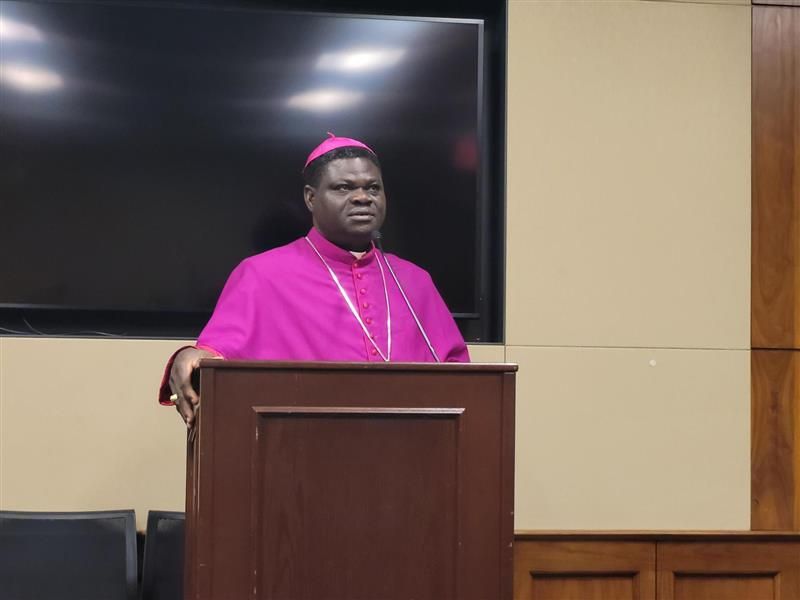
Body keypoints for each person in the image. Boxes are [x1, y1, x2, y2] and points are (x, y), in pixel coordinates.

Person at [160, 134, 469, 426]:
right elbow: (217, 355)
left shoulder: (414, 281)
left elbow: (461, 381)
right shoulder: (261, 275)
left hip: (412, 448)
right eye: (344, 187)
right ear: (310, 198)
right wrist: (191, 356)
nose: (363, 197)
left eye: (373, 188)